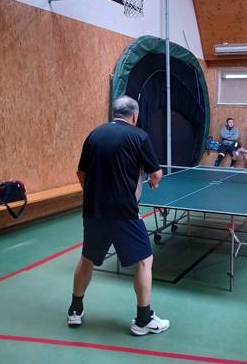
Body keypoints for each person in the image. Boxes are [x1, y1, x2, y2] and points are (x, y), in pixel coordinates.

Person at [67, 96, 170, 336]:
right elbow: (156, 174)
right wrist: (153, 181)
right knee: (144, 261)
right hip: (124, 211)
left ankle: (75, 310)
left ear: (114, 113)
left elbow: (81, 173)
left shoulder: (94, 135)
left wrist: (94, 196)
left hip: (94, 209)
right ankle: (143, 320)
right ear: (134, 116)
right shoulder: (139, 136)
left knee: (87, 259)